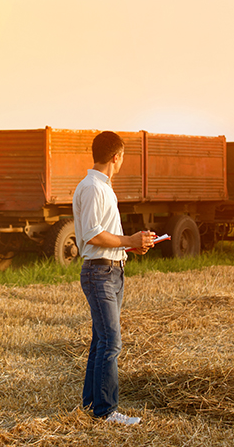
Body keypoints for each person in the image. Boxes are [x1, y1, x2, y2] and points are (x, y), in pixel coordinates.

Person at [72, 131, 155, 426]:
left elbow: (105, 235)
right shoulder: (94, 187)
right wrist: (128, 238)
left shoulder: (104, 187)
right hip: (100, 272)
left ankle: (92, 404)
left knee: (101, 340)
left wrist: (135, 243)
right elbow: (93, 234)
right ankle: (106, 411)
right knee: (111, 342)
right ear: (115, 157)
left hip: (111, 269)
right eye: (122, 158)